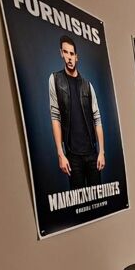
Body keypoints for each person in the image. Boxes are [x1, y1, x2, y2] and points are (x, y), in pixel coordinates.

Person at [49, 35, 105, 189]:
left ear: (76, 57)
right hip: (72, 156)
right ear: (61, 53)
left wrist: (101, 152)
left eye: (72, 53)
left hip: (92, 153)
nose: (69, 57)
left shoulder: (88, 86)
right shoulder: (55, 80)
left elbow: (97, 119)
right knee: (79, 200)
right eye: (66, 52)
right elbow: (55, 117)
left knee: (99, 199)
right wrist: (61, 154)